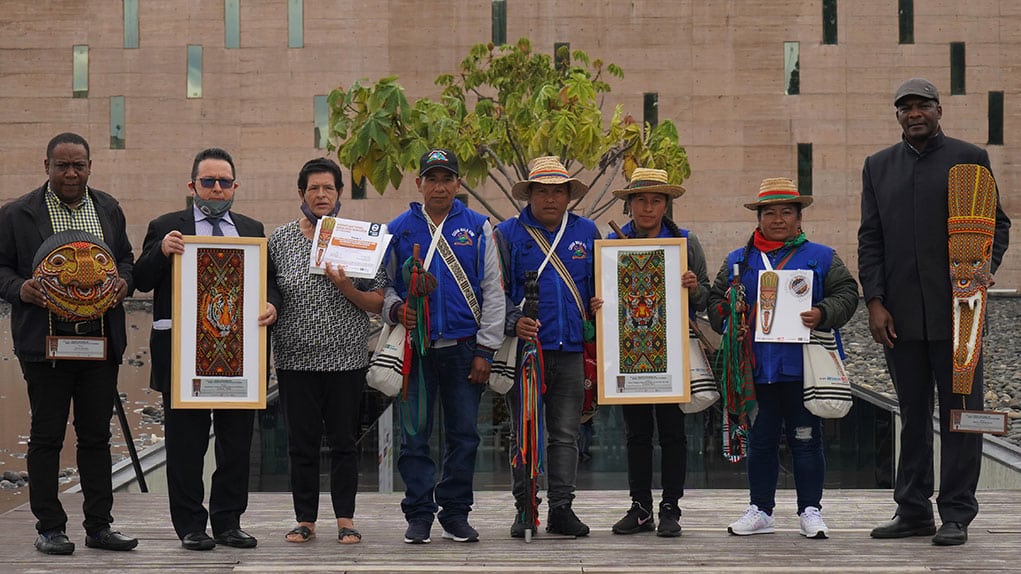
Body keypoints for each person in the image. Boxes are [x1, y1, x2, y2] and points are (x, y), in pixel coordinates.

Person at [859, 78, 1011, 546]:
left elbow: (996, 225)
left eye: (922, 105)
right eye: (905, 107)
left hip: (960, 314)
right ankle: (913, 511)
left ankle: (957, 514)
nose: (914, 113)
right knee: (912, 411)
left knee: (962, 414)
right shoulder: (878, 166)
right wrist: (875, 301)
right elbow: (871, 239)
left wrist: (983, 273)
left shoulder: (969, 158)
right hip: (899, 317)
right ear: (898, 116)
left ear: (939, 110)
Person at [134, 147, 281, 551]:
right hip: (184, 360)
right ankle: (191, 527)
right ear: (192, 186)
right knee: (186, 448)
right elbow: (141, 280)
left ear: (235, 187)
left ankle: (229, 523)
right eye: (208, 182)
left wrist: (271, 304)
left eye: (224, 182)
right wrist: (161, 251)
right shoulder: (167, 226)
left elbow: (269, 283)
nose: (217, 189)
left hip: (240, 360)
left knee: (235, 447)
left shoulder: (252, 229)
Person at [0, 132, 138, 555]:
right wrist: (20, 288)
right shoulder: (17, 214)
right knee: (46, 436)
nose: (71, 173)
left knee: (96, 436)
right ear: (47, 167)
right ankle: (50, 528)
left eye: (79, 165)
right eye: (63, 165)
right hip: (45, 344)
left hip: (99, 342)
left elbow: (127, 260)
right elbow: (0, 268)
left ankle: (99, 526)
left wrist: (124, 284)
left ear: (90, 166)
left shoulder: (108, 208)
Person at [707, 177, 858, 539]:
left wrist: (822, 312)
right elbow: (714, 305)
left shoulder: (821, 256)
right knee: (760, 442)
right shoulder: (738, 260)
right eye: (770, 212)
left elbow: (848, 293)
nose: (778, 219)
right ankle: (760, 509)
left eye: (786, 212)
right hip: (756, 369)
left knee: (806, 439)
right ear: (758, 218)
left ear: (799, 217)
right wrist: (730, 310)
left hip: (802, 369)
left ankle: (810, 510)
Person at [382, 148, 505, 544]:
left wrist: (486, 350)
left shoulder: (479, 225)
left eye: (446, 178)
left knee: (464, 435)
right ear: (418, 183)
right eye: (431, 179)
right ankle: (418, 514)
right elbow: (381, 286)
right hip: (415, 350)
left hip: (463, 349)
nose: (439, 186)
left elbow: (493, 292)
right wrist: (398, 309)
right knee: (414, 437)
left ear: (458, 183)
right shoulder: (397, 228)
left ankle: (455, 513)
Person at [268, 157, 386, 545]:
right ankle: (305, 520)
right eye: (314, 188)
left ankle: (345, 519)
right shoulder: (280, 240)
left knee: (343, 444)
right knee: (300, 444)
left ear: (339, 194)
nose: (321, 195)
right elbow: (270, 293)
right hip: (294, 358)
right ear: (301, 193)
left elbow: (377, 302)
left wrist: (347, 287)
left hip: (346, 359)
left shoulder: (360, 239)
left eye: (329, 188)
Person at [494, 156, 602, 538]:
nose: (551, 198)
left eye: (559, 191)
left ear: (569, 195)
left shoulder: (588, 232)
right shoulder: (506, 233)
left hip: (571, 348)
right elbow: (495, 291)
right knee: (522, 432)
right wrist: (512, 320)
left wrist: (599, 305)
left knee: (565, 434)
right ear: (531, 194)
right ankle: (525, 508)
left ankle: (561, 509)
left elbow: (601, 287)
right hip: (526, 350)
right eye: (543, 190)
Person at [605, 167, 710, 538]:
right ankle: (639, 507)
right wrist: (599, 302)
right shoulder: (612, 242)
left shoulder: (684, 241)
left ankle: (670, 508)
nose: (648, 208)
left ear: (667, 205)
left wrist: (693, 286)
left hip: (673, 351)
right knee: (635, 434)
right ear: (629, 205)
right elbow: (604, 293)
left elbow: (705, 297)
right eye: (640, 200)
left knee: (673, 433)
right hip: (630, 351)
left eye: (656, 200)